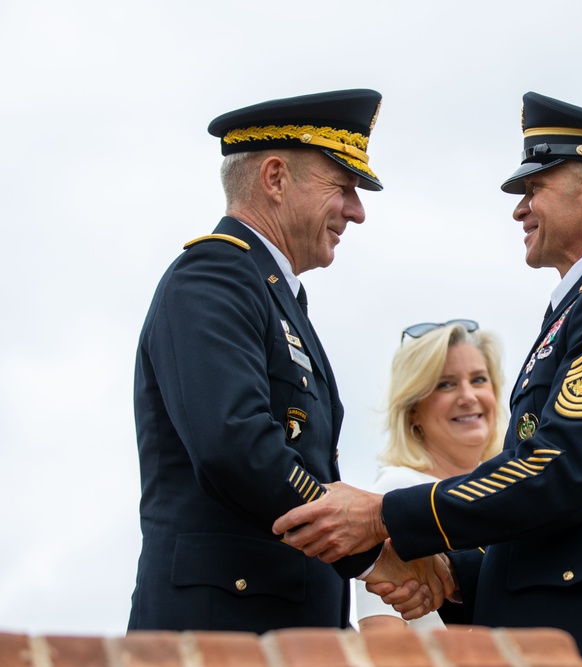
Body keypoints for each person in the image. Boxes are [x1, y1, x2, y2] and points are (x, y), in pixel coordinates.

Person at [275, 91, 582, 666]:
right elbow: (569, 521)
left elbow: (557, 471)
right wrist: (455, 574)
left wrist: (386, 515)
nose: (519, 209)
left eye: (534, 190)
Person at [128, 89, 444, 633]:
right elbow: (236, 447)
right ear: (275, 178)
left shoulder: (272, 293)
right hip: (220, 632)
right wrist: (367, 550)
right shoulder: (213, 278)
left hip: (281, 628)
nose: (358, 211)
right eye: (342, 188)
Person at [354, 320, 506, 632]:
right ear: (413, 410)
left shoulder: (513, 493)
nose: (468, 396)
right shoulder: (396, 493)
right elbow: (383, 643)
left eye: (479, 380)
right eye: (446, 384)